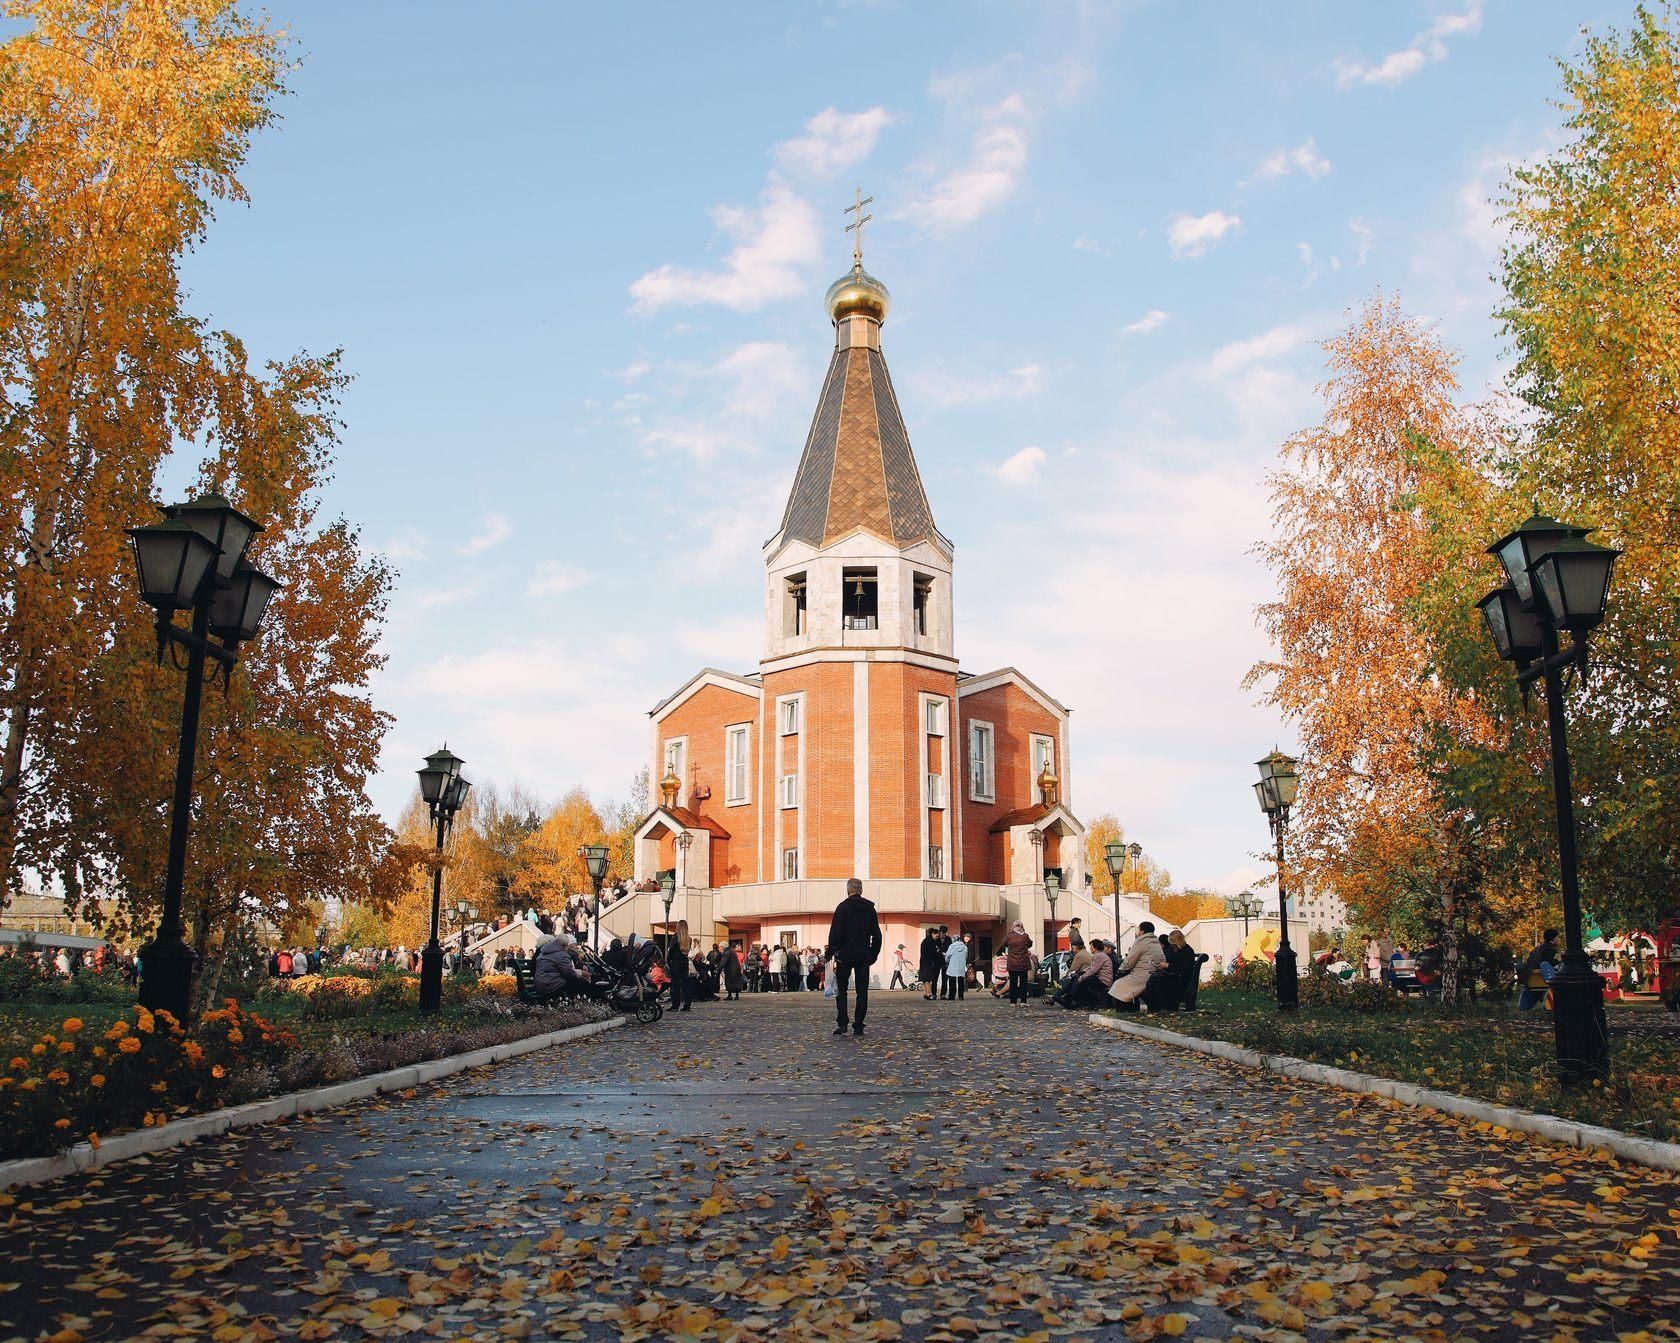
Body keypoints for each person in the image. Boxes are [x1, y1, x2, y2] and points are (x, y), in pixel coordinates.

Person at [827, 876, 883, 1036]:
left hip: (844, 955)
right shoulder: (870, 909)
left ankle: (842, 1023)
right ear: (861, 890)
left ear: (848, 890)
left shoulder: (842, 908)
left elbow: (835, 933)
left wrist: (831, 952)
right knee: (862, 991)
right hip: (863, 955)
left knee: (842, 990)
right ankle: (858, 1025)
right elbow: (877, 935)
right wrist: (873, 954)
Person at [1109, 922, 1166, 1010]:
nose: (1137, 932)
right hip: (1154, 974)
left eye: (1138, 930)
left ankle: (1125, 1009)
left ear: (1142, 931)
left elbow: (1130, 959)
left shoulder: (1141, 941)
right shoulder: (1156, 942)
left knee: (1119, 984)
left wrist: (1121, 969)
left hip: (1142, 975)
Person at [1053, 938, 1113, 1008]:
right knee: (1077, 977)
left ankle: (1066, 998)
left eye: (1091, 946)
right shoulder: (1099, 955)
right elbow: (1091, 967)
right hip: (1100, 978)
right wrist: (1082, 972)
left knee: (1080, 980)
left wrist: (1082, 977)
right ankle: (1066, 998)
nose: (1090, 948)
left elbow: (1093, 970)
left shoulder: (1099, 956)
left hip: (1103, 980)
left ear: (1096, 948)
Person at [532, 933, 588, 1000]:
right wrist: (582, 973)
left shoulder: (544, 952)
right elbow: (570, 974)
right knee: (581, 982)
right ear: (565, 945)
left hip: (541, 986)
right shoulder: (561, 955)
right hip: (552, 986)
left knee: (577, 982)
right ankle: (587, 1002)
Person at [1519, 929, 1559, 1011]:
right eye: (1558, 937)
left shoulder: (1537, 949)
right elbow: (1546, 963)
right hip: (1543, 979)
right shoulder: (1549, 950)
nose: (1559, 939)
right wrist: (1558, 960)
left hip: (1531, 979)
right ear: (1552, 939)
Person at [1002, 921, 1034, 1005]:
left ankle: (1013, 1002)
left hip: (1012, 963)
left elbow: (1004, 943)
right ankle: (1023, 1001)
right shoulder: (1025, 936)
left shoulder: (1009, 935)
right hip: (1023, 963)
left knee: (1013, 982)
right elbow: (1030, 944)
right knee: (1023, 982)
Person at [666, 920, 694, 1013]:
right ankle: (687, 1005)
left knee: (675, 984)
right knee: (686, 984)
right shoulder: (688, 939)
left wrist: (668, 962)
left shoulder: (675, 938)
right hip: (684, 961)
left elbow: (670, 952)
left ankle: (675, 1005)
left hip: (675, 962)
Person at [943, 930, 969, 1001]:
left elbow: (948, 956)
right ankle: (961, 996)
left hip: (953, 966)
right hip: (961, 966)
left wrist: (947, 961)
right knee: (961, 982)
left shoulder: (951, 946)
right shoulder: (965, 947)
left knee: (952, 981)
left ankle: (952, 996)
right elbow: (966, 956)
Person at [918, 927, 942, 1001]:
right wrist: (938, 952)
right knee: (928, 979)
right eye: (937, 936)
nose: (937, 937)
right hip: (928, 962)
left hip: (923, 961)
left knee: (924, 979)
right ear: (933, 934)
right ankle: (929, 994)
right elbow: (932, 953)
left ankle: (925, 993)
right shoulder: (930, 942)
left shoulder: (924, 941)